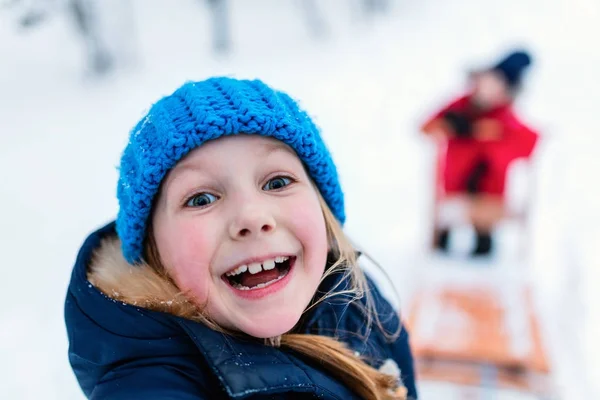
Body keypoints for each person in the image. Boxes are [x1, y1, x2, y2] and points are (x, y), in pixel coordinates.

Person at [64, 77, 417, 399]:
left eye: (277, 182)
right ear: (154, 254)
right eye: (201, 199)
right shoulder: (150, 384)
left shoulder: (356, 301)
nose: (252, 217)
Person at [421, 50, 539, 256]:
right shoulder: (460, 106)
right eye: (488, 81)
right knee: (441, 248)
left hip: (489, 198)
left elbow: (529, 142)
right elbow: (426, 127)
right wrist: (455, 126)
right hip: (453, 193)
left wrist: (495, 134)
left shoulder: (505, 116)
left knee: (483, 246)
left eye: (498, 85)